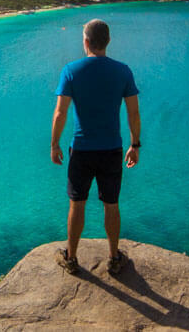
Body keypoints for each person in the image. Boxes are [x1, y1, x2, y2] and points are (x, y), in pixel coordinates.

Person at [51, 18, 141, 275]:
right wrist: (135, 145)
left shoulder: (70, 70)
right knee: (111, 204)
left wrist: (55, 144)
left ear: (86, 42)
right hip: (112, 149)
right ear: (108, 41)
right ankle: (114, 258)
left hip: (81, 150)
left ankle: (71, 258)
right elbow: (133, 114)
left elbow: (60, 113)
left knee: (76, 204)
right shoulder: (123, 71)